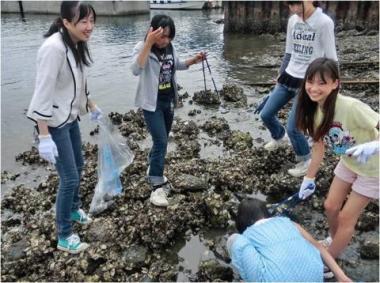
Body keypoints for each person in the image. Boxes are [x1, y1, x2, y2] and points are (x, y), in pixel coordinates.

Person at [27, 1, 102, 254]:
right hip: (54, 125)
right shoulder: (53, 49)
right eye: (83, 21)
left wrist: (91, 105)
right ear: (66, 22)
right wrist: (44, 136)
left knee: (79, 167)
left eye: (92, 20)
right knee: (68, 178)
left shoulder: (77, 41)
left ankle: (73, 208)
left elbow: (79, 81)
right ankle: (64, 234)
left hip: (69, 118)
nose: (89, 27)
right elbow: (42, 94)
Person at [296, 58, 379, 270]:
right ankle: (335, 242)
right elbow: (318, 147)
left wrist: (375, 146)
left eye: (322, 83)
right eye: (310, 81)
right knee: (330, 206)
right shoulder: (313, 110)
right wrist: (309, 177)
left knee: (346, 218)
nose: (314, 88)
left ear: (335, 84)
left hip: (374, 168)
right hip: (349, 161)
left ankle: (327, 265)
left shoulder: (351, 106)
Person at [130, 14, 205, 207]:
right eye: (162, 36)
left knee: (160, 140)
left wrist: (194, 60)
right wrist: (148, 43)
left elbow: (176, 65)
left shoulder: (171, 47)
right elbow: (135, 69)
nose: (165, 41)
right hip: (151, 103)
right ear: (152, 31)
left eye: (169, 37)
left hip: (168, 100)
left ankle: (151, 166)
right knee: (162, 140)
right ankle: (156, 185)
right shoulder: (142, 47)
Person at [259, 1, 338, 177]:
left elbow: (332, 58)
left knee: (294, 127)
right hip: (289, 76)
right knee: (265, 114)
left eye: (297, 4)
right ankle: (279, 137)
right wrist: (280, 75)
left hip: (308, 83)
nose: (295, 9)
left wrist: (333, 87)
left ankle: (306, 160)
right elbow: (289, 52)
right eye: (290, 5)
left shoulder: (324, 22)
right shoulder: (293, 20)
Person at [227, 198, 351, 282]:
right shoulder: (287, 222)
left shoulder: (248, 234)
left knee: (234, 240)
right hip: (315, 277)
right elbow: (318, 247)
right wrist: (341, 276)